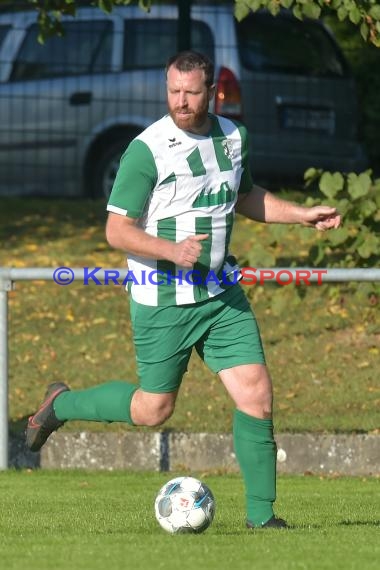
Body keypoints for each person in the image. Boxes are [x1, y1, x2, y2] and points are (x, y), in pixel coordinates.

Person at [26, 51, 341, 529]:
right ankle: (59, 405)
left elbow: (244, 197)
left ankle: (263, 518)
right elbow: (116, 231)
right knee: (154, 410)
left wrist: (302, 215)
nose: (181, 101)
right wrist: (171, 252)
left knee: (256, 393)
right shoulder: (147, 149)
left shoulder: (235, 138)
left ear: (212, 92)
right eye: (173, 91)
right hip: (162, 298)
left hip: (219, 294)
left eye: (191, 93)